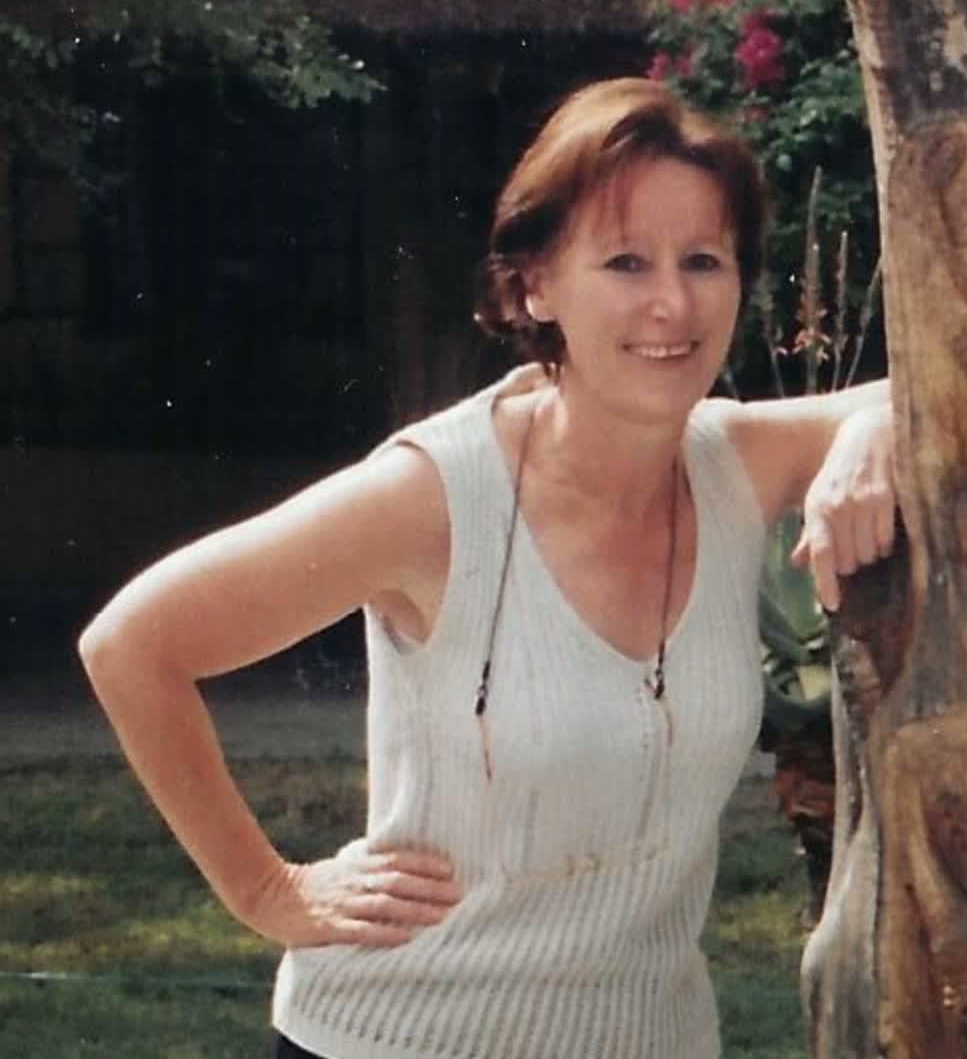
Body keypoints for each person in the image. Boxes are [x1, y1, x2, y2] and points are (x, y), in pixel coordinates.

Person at [77, 77, 897, 1059]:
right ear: (535, 285)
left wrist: (873, 432)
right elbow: (132, 645)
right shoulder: (433, 497)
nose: (672, 303)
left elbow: (939, 390)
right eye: (625, 261)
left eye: (703, 260)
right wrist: (267, 890)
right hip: (397, 1040)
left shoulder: (734, 465)